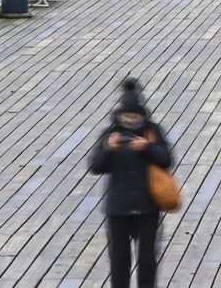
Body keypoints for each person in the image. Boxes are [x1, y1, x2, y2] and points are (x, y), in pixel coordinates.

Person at [88, 78, 174, 288]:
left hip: (147, 209)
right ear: (119, 115)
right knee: (119, 263)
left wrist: (146, 147)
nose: (130, 121)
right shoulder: (110, 134)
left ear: (142, 115)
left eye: (134, 117)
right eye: (126, 117)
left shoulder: (153, 131)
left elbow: (167, 160)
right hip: (118, 210)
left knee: (146, 262)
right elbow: (95, 166)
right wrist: (108, 148)